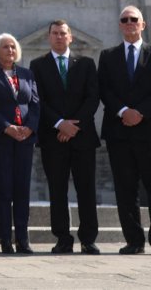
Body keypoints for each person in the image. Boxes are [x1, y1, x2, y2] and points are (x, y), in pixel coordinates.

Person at [98, 5, 151, 256]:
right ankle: (134, 240)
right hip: (120, 133)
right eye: (124, 20)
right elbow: (105, 90)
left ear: (143, 25)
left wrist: (139, 113)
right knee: (125, 189)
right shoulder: (108, 57)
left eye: (134, 19)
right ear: (120, 25)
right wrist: (123, 112)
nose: (129, 23)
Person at [30, 19, 101, 255]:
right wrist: (60, 124)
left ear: (71, 37)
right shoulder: (37, 65)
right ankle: (62, 237)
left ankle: (88, 239)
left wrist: (73, 126)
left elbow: (92, 98)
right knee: (57, 190)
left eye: (63, 33)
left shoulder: (86, 63)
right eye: (55, 33)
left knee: (86, 189)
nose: (59, 37)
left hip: (82, 138)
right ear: (49, 37)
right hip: (53, 138)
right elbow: (37, 99)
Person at [0, 33, 40, 254]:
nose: (10, 51)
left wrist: (30, 127)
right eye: (5, 47)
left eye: (13, 47)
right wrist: (7, 127)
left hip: (24, 139)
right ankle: (5, 238)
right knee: (3, 189)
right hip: (1, 138)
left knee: (22, 190)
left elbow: (34, 103)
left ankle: (23, 239)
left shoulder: (26, 74)